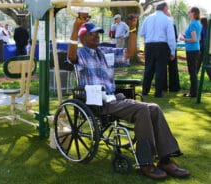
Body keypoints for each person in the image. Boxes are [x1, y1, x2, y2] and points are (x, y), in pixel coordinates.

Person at [67, 17, 190, 180]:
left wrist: (132, 30)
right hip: (97, 102)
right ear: (82, 37)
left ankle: (165, 159)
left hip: (114, 99)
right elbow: (71, 55)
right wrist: (75, 28)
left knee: (154, 108)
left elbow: (130, 53)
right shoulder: (80, 54)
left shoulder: (105, 53)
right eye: (92, 34)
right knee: (143, 109)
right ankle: (145, 162)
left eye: (98, 34)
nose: (97, 36)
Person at [140, 2, 176, 98]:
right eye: (167, 9)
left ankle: (145, 90)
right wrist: (172, 51)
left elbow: (142, 33)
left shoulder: (147, 18)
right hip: (162, 45)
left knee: (148, 68)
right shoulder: (167, 20)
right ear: (164, 8)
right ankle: (158, 92)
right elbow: (171, 37)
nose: (167, 10)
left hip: (149, 45)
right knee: (160, 69)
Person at [180, 7, 202, 97]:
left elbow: (194, 39)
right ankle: (193, 92)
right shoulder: (198, 23)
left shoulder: (193, 24)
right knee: (193, 72)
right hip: (195, 50)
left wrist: (183, 39)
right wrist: (186, 36)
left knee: (192, 72)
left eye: (189, 12)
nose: (188, 14)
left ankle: (193, 93)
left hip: (192, 51)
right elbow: (198, 38)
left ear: (193, 13)